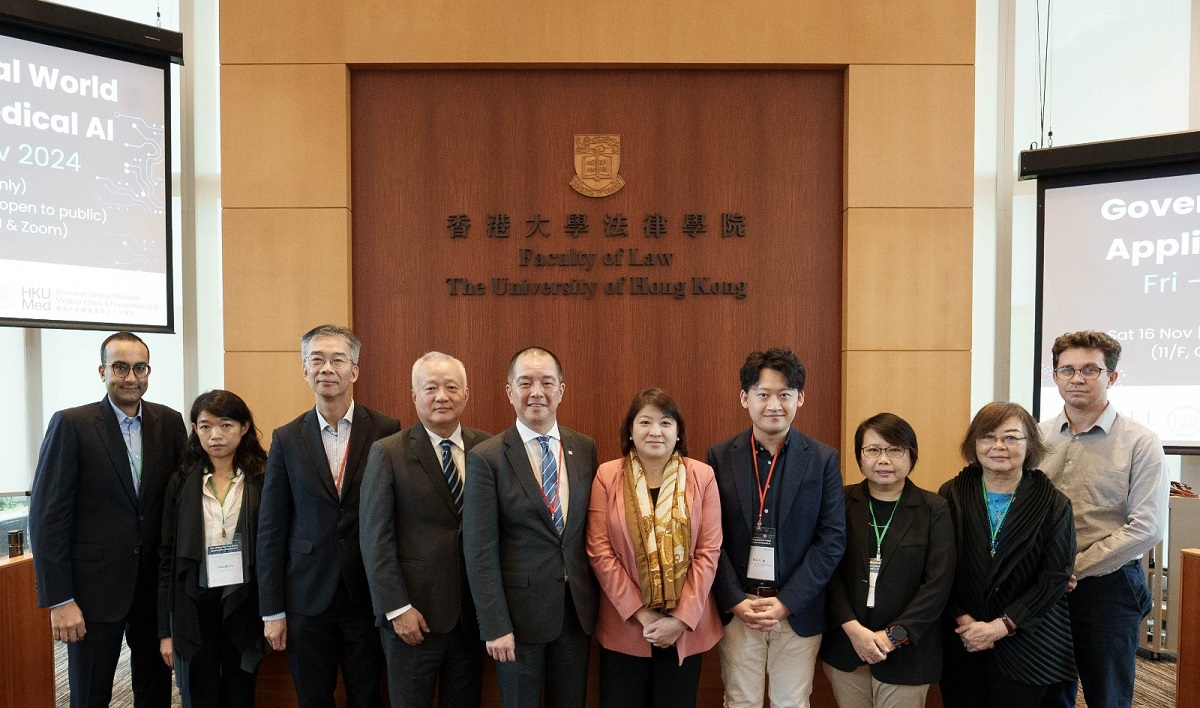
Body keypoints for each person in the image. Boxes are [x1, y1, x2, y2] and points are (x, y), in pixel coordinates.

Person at [29, 331, 187, 708]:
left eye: (139, 367)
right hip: (92, 591)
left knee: (155, 691)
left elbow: (181, 501)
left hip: (153, 588)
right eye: (120, 367)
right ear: (102, 371)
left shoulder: (170, 422)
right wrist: (59, 598)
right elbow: (47, 516)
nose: (130, 377)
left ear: (149, 371)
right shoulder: (72, 424)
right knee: (89, 694)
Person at [256, 325, 401, 708]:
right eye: (317, 359)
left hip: (367, 594)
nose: (327, 368)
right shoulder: (286, 438)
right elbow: (271, 529)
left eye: (338, 359)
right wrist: (272, 610)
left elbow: (396, 519)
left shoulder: (387, 431)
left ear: (354, 370)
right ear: (304, 370)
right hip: (306, 596)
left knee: (368, 696)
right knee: (313, 698)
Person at [1038, 330, 1168, 708]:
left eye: (1090, 369)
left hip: (1108, 585)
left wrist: (1074, 567)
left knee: (1107, 696)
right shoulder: (1037, 436)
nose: (1076, 378)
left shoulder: (1140, 441)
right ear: (1055, 376)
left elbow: (1147, 527)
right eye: (1067, 370)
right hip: (1044, 586)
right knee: (1048, 693)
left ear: (1111, 377)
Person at [462, 346, 599, 708]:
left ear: (561, 390)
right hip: (516, 621)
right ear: (509, 391)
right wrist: (494, 625)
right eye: (525, 383)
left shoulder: (584, 448)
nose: (536, 392)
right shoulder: (486, 458)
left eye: (546, 382)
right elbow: (479, 552)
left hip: (575, 614)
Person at [709, 347, 846, 708]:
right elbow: (709, 539)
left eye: (784, 394)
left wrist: (787, 602)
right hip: (740, 609)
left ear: (800, 398)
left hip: (797, 609)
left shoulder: (823, 459)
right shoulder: (719, 457)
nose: (774, 404)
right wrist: (735, 600)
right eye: (763, 394)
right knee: (740, 701)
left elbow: (831, 540)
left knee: (792, 702)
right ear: (745, 398)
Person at [360, 352, 490, 707]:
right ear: (414, 395)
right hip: (413, 618)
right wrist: (397, 608)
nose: (441, 396)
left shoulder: (489, 449)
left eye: (451, 387)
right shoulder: (388, 452)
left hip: (472, 617)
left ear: (466, 394)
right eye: (430, 388)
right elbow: (375, 540)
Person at [587, 388, 724, 708]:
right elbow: (599, 550)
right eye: (645, 422)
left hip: (686, 627)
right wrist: (643, 614)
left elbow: (709, 551)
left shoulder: (702, 476)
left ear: (678, 433)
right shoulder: (607, 475)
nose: (655, 431)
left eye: (665, 422)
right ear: (631, 431)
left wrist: (680, 619)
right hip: (626, 624)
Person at [938, 402, 1076, 708]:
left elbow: (1054, 580)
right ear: (974, 444)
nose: (999, 446)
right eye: (988, 437)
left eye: (1012, 437)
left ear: (1030, 446)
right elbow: (940, 567)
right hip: (964, 636)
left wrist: (1001, 627)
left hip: (1028, 641)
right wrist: (965, 621)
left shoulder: (1054, 504)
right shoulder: (951, 494)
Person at [819, 413, 956, 708]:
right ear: (859, 456)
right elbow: (826, 572)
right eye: (873, 450)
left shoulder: (934, 509)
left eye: (895, 450)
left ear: (911, 455)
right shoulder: (838, 502)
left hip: (907, 652)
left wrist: (893, 636)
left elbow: (938, 584)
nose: (884, 459)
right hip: (847, 644)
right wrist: (852, 628)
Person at [158, 390, 269, 707]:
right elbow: (166, 556)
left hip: (246, 598)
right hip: (195, 601)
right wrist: (164, 629)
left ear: (244, 427)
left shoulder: (263, 477)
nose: (215, 435)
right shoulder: (180, 481)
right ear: (194, 428)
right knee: (200, 694)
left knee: (240, 693)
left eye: (226, 425)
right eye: (205, 426)